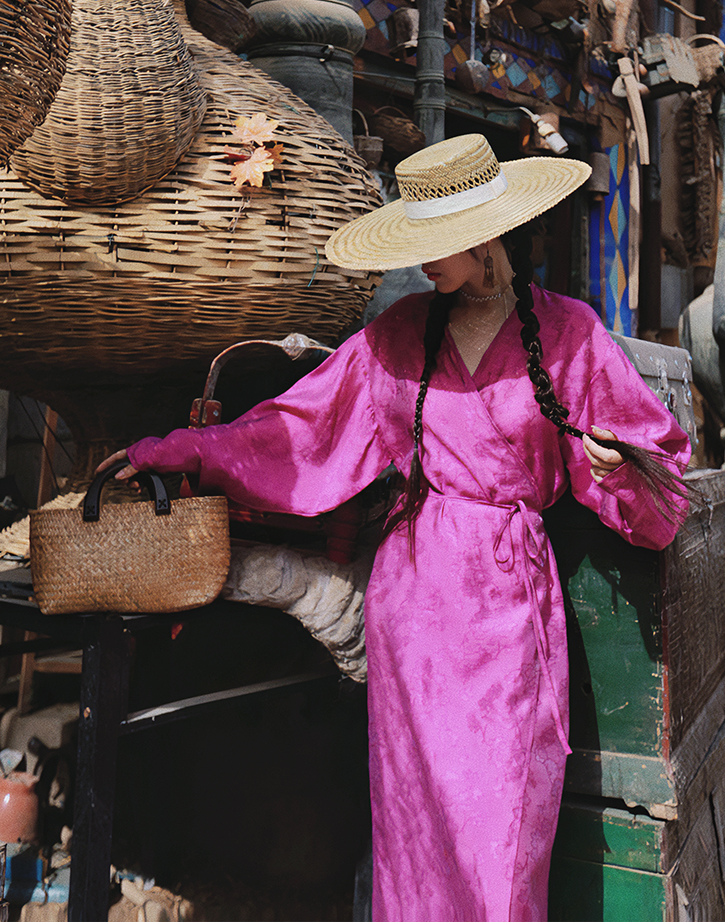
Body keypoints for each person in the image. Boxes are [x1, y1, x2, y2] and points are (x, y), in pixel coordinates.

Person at [99, 135, 691, 922]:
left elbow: (659, 477)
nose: (420, 267)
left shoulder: (572, 332)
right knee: (414, 827)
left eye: (433, 246)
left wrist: (614, 468)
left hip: (511, 610)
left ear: (483, 241)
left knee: (503, 823)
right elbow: (298, 429)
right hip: (414, 609)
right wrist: (179, 452)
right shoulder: (400, 333)